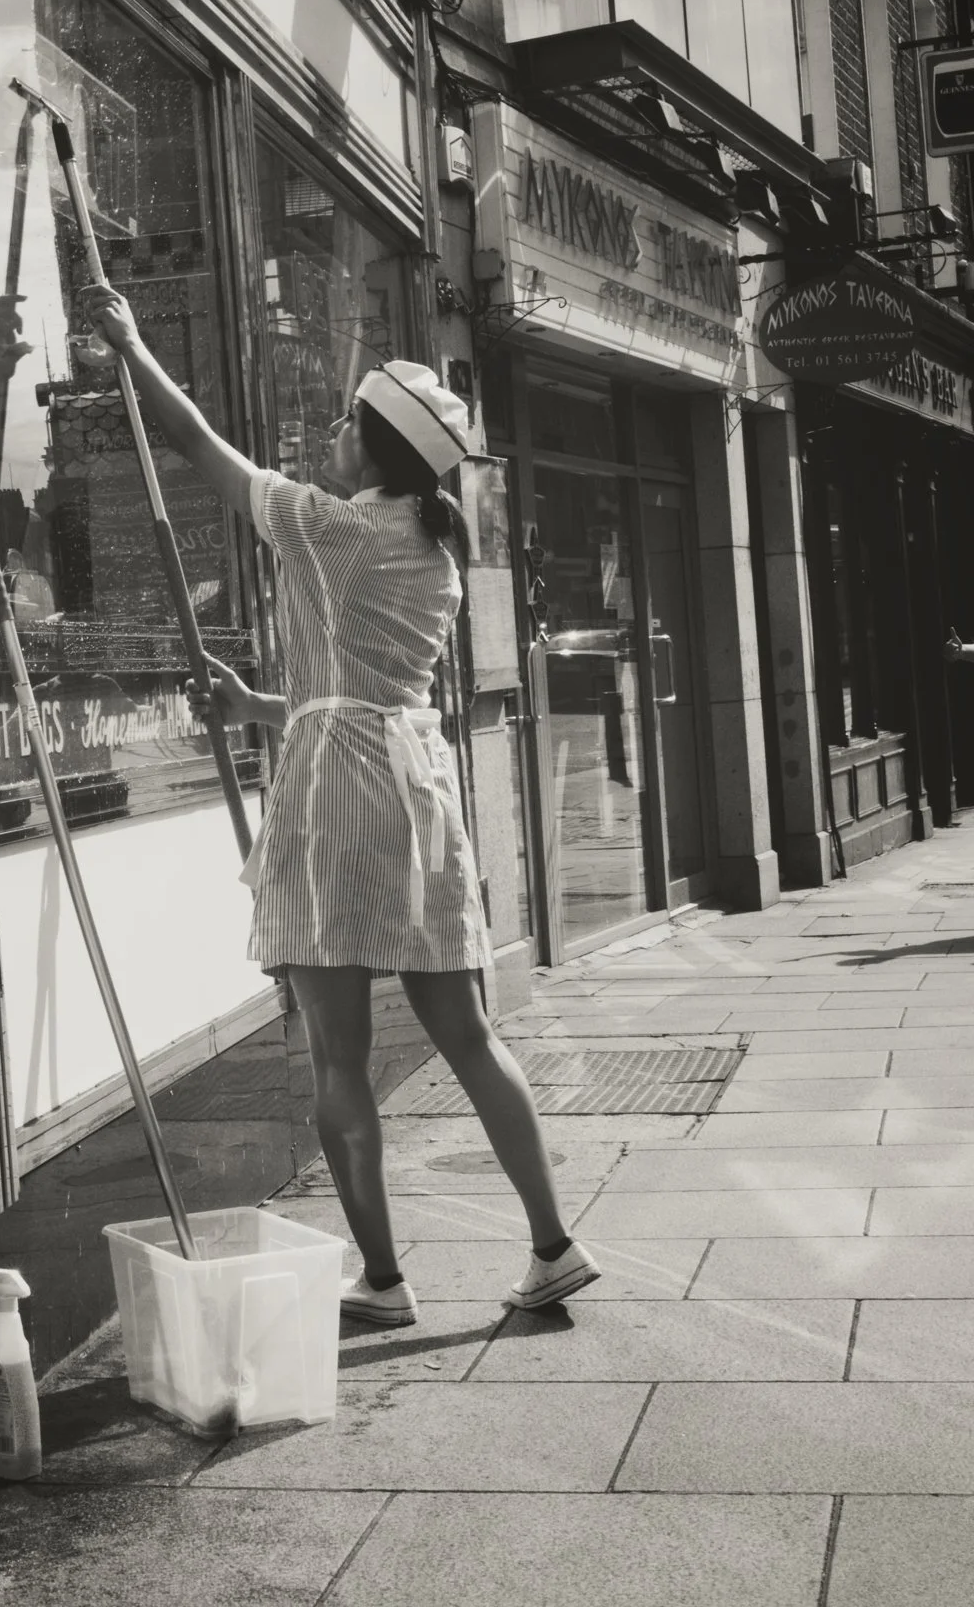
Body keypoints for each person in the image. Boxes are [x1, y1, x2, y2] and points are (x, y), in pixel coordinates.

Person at [85, 282, 598, 1326]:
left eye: (344, 423)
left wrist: (133, 342)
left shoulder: (325, 527)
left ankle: (384, 1280)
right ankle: (553, 1244)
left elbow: (192, 442)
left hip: (335, 800)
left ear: (376, 449)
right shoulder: (439, 550)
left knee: (338, 1055)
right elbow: (361, 697)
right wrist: (258, 703)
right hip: (417, 791)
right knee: (468, 1035)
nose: (328, 434)